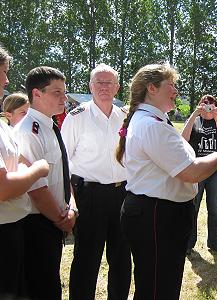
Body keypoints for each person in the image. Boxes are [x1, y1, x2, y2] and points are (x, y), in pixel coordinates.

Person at [115, 63, 217, 300]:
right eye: (171, 85)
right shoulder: (152, 126)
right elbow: (191, 172)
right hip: (156, 215)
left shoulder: (153, 121)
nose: (176, 91)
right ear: (152, 88)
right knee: (157, 289)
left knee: (159, 284)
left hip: (158, 213)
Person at [61, 63, 132, 300]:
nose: (103, 87)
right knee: (87, 257)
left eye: (108, 83)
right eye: (98, 82)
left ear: (117, 87)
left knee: (122, 256)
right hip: (89, 195)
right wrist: (70, 198)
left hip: (121, 193)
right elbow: (64, 161)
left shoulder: (125, 117)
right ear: (90, 86)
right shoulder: (76, 117)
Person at [14, 66, 78, 300]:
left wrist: (71, 207)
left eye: (64, 92)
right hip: (38, 223)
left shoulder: (50, 125)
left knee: (50, 282)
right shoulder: (30, 131)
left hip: (55, 218)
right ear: (36, 94)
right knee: (42, 287)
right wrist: (62, 221)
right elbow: (36, 190)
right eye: (57, 93)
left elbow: (63, 173)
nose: (64, 98)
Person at [0, 46, 50, 299]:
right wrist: (38, 169)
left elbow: (15, 161)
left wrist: (21, 169)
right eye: (4, 72)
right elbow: (4, 187)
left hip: (12, 227)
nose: (7, 80)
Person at [182, 95, 217, 254]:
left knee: (215, 208)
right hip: (197, 169)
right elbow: (183, 138)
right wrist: (194, 115)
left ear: (216, 106)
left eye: (211, 103)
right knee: (192, 208)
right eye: (205, 103)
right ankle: (188, 244)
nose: (208, 105)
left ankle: (215, 242)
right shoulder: (194, 121)